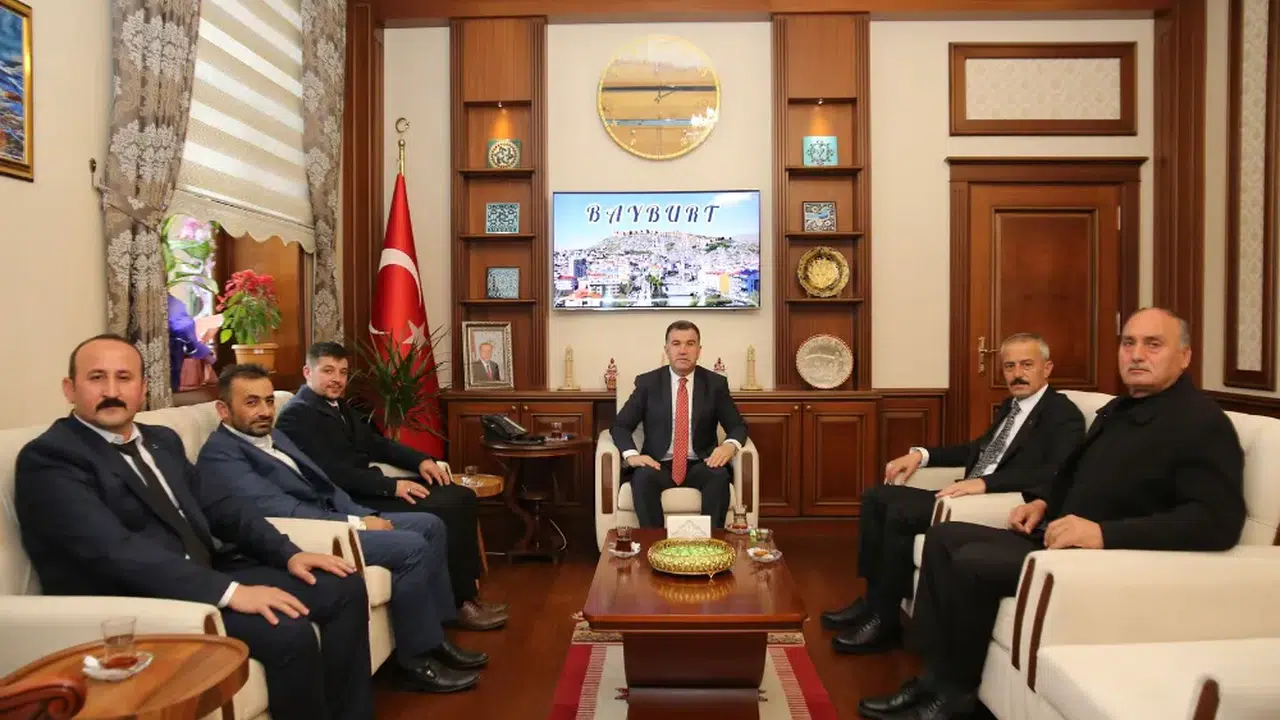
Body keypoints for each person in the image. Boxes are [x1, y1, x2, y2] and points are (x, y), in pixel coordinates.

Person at [859, 308, 1246, 720]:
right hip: (1054, 535)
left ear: (1184, 356)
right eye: (1128, 343)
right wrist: (1042, 501)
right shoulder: (1120, 409)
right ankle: (930, 680)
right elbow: (1070, 473)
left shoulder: (1201, 422)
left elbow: (1217, 523)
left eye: (1153, 344)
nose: (1136, 355)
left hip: (1105, 557)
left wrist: (1103, 534)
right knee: (943, 537)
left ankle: (951, 698)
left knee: (971, 562)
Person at [14, 334, 375, 720]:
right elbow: (114, 551)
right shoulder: (51, 458)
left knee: (343, 587)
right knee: (287, 630)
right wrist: (231, 593)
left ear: (142, 388)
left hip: (206, 571)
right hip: (141, 601)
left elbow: (221, 507)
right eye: (97, 378)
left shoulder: (160, 441)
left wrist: (289, 553)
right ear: (70, 389)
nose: (112, 391)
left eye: (124, 378)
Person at [196, 364, 489, 693]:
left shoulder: (273, 435)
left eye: (268, 400)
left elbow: (326, 486)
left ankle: (436, 639)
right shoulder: (222, 457)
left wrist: (364, 514)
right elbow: (283, 511)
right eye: (252, 402)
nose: (264, 411)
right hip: (310, 535)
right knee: (411, 547)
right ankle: (418, 662)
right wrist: (359, 524)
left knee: (431, 525)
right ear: (223, 409)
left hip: (337, 516)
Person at [822, 333, 1084, 655]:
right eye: (1009, 366)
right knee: (876, 497)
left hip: (989, 500)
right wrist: (922, 455)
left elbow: (1056, 471)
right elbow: (976, 451)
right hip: (966, 492)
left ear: (1047, 368)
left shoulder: (1062, 413)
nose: (1017, 374)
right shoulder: (1012, 407)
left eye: (1026, 365)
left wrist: (986, 484)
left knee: (901, 512)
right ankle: (872, 602)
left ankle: (884, 621)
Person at [275, 341, 507, 628]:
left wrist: (421, 460)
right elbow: (331, 474)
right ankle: (461, 604)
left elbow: (377, 444)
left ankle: (468, 595)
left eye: (343, 372)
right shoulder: (296, 415)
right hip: (351, 499)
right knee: (448, 506)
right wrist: (392, 487)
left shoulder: (339, 406)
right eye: (328, 371)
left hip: (370, 485)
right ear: (307, 372)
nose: (337, 379)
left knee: (461, 495)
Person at [610, 320, 749, 529]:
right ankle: (655, 544)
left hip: (702, 462)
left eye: (690, 344)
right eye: (676, 344)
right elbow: (620, 426)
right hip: (658, 463)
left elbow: (738, 426)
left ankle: (711, 545)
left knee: (718, 477)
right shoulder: (648, 383)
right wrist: (632, 456)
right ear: (667, 349)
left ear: (699, 350)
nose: (683, 350)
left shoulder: (715, 384)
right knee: (642, 478)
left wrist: (729, 446)